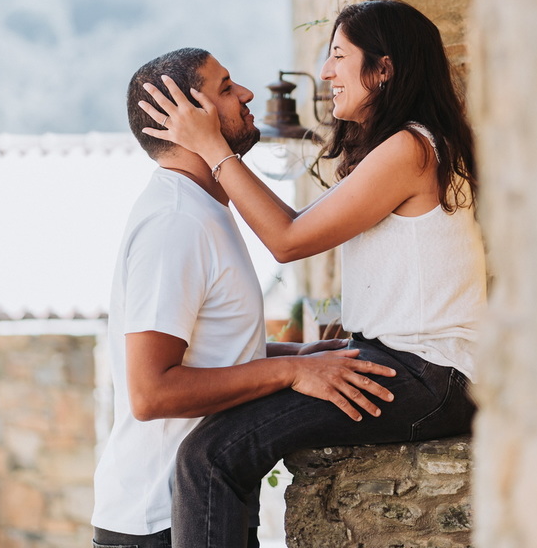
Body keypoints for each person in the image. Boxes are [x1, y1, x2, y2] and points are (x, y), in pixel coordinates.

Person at [138, 0, 487, 548]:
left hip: (432, 376)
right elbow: (302, 229)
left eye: (339, 56)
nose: (325, 72)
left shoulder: (412, 148)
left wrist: (211, 147)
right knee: (216, 448)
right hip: (415, 367)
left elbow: (288, 240)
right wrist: (309, 355)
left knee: (210, 457)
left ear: (383, 69)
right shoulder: (404, 146)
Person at [91, 48, 398, 548]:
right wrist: (290, 372)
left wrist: (301, 354)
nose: (247, 94)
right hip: (160, 521)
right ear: (189, 115)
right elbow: (152, 392)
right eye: (227, 88)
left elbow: (210, 351)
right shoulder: (175, 222)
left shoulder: (204, 207)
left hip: (204, 508)